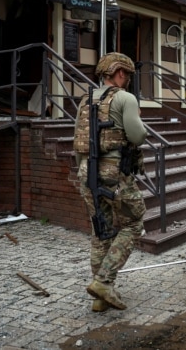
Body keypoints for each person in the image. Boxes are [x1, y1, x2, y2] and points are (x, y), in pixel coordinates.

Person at [73, 52, 147, 311]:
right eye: (126, 75)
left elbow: (78, 141)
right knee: (134, 222)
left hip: (87, 171)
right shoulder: (125, 98)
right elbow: (137, 136)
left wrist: (84, 170)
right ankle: (104, 282)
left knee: (100, 229)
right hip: (115, 172)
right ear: (120, 73)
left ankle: (99, 298)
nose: (126, 80)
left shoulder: (84, 100)